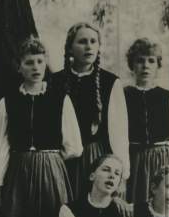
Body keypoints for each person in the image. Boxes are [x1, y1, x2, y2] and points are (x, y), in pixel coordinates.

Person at [0, 36, 82, 217]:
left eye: (40, 62)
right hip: (18, 174)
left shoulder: (59, 98)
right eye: (28, 62)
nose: (35, 67)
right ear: (19, 66)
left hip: (50, 172)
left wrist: (49, 160)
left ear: (46, 64)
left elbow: (74, 145)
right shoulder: (7, 101)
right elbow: (2, 146)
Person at [49, 23, 129, 201]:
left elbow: (120, 133)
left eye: (93, 41)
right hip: (64, 159)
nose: (88, 46)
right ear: (70, 48)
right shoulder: (55, 81)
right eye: (82, 42)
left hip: (96, 158)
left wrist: (122, 173)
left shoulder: (110, 83)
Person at [122, 38, 169, 217]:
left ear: (158, 65)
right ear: (132, 65)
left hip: (164, 161)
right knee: (138, 212)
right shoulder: (123, 95)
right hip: (136, 163)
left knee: (164, 211)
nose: (145, 66)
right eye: (140, 61)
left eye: (151, 61)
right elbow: (118, 136)